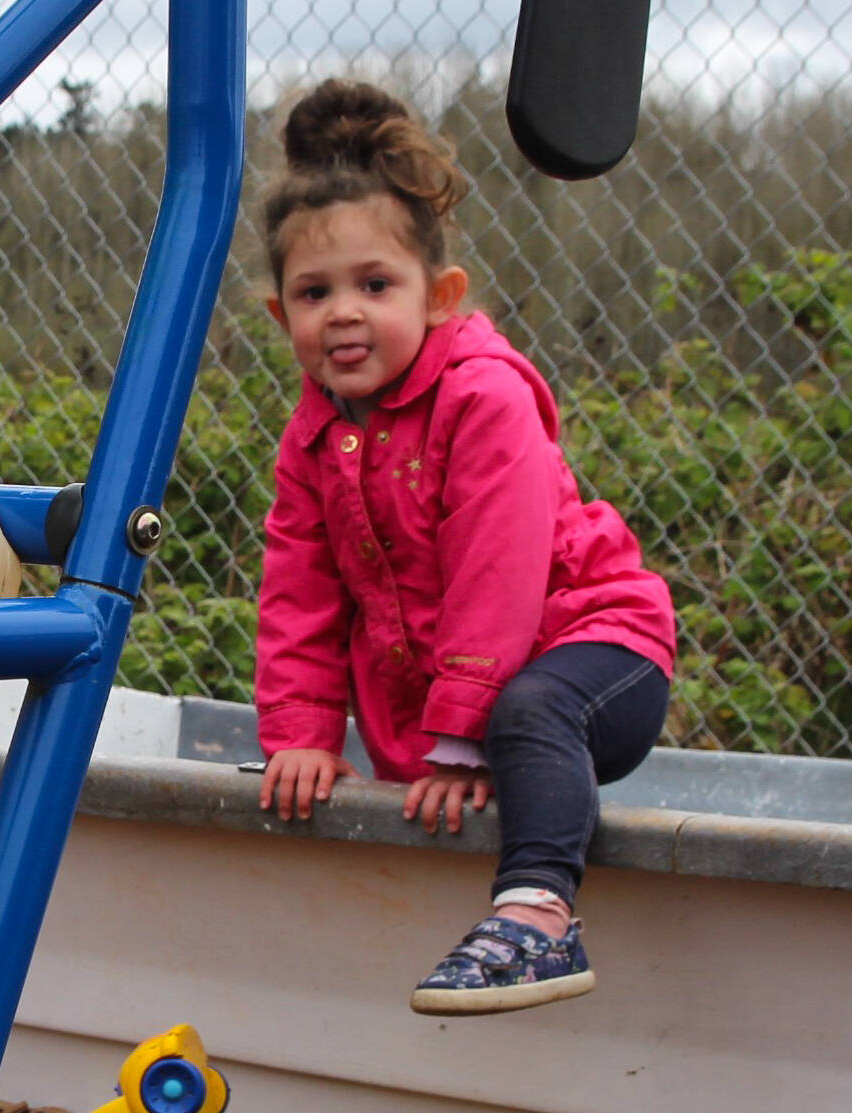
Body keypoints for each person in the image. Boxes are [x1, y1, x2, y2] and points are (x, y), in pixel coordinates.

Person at [252, 79, 676, 1018]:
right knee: (502, 718)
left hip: (599, 646)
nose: (345, 313)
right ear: (282, 317)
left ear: (439, 297)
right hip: (485, 690)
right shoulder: (313, 436)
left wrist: (463, 731)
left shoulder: (482, 398)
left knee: (529, 712)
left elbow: (501, 571)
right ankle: (496, 790)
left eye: (375, 285)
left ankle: (538, 917)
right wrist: (301, 739)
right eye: (315, 293)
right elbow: (298, 594)